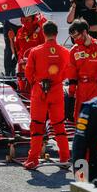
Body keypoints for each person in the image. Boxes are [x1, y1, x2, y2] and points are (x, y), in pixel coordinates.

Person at [23, 21, 70, 169]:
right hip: (56, 90)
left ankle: (33, 159)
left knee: (37, 126)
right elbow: (67, 72)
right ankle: (64, 158)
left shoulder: (35, 51)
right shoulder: (64, 51)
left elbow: (28, 73)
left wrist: (36, 83)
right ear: (56, 34)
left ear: (44, 33)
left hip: (39, 91)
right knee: (59, 125)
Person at [12, 14, 46, 93]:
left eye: (27, 20)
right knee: (22, 88)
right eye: (23, 20)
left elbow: (45, 48)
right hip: (22, 66)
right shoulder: (20, 31)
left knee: (35, 89)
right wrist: (11, 39)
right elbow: (15, 51)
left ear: (33, 19)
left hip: (36, 66)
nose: (25, 22)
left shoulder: (40, 30)